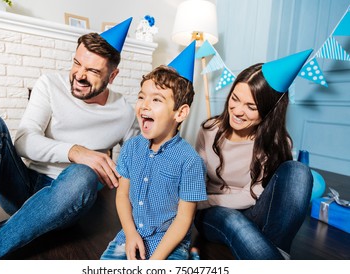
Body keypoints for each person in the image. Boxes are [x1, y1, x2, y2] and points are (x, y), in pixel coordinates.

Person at [0, 17, 139, 260]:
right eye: (77, 63)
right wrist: (75, 151)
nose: (80, 75)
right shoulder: (50, 84)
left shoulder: (125, 113)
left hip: (67, 200)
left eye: (93, 71)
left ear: (113, 75)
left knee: (84, 174)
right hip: (25, 185)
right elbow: (23, 141)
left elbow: (137, 166)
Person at [194, 50, 314, 259]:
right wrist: (201, 203)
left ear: (268, 112)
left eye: (251, 107)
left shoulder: (276, 143)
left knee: (299, 171)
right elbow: (195, 183)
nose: (238, 111)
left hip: (251, 208)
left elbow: (253, 196)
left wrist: (208, 200)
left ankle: (274, 252)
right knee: (233, 221)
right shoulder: (209, 130)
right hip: (212, 212)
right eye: (235, 98)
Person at [101, 42, 207, 260]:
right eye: (141, 97)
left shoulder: (190, 161)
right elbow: (122, 194)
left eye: (156, 99)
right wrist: (130, 234)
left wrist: (154, 262)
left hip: (169, 244)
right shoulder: (131, 147)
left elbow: (184, 219)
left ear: (180, 113)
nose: (144, 105)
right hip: (129, 237)